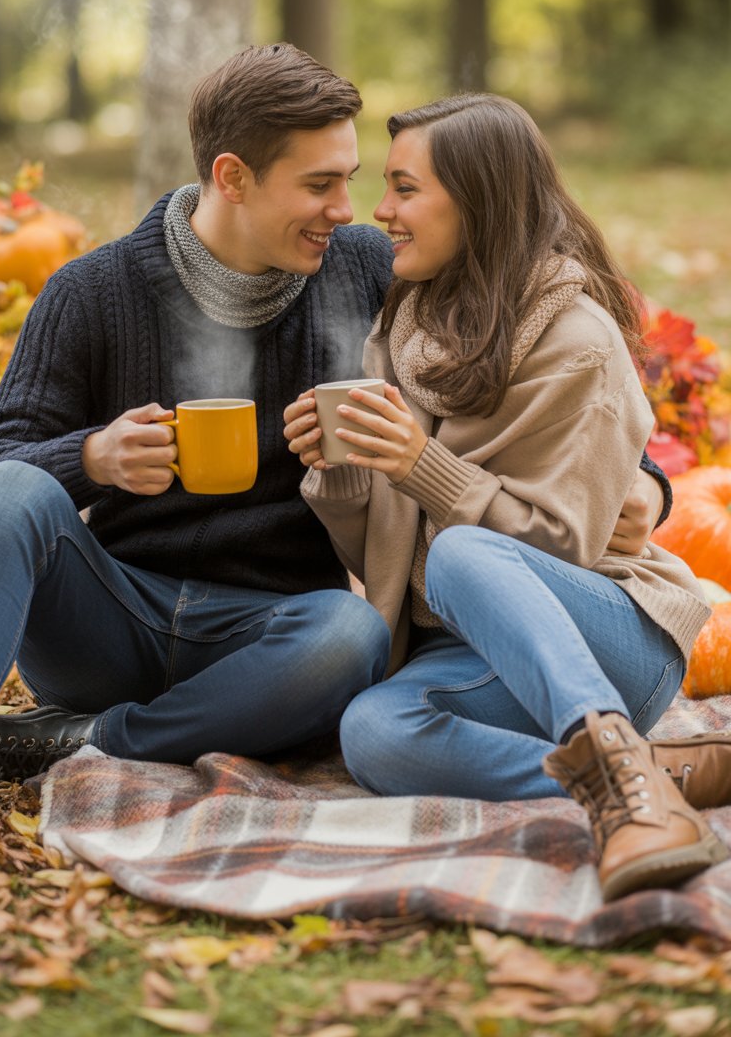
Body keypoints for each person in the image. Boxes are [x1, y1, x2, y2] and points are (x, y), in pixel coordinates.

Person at [0, 49, 667, 897]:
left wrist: (647, 485)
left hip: (275, 638)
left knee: (352, 634)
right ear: (233, 176)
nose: (348, 209)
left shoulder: (371, 272)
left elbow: (546, 358)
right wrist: (90, 459)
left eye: (353, 179)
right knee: (17, 487)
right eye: (319, 186)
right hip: (109, 616)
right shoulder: (92, 291)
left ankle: (86, 740)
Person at [284, 92, 730, 902]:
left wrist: (425, 466)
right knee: (373, 733)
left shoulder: (577, 343)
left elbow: (560, 548)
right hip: (473, 647)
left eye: (405, 189)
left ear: (480, 199)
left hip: (609, 633)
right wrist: (345, 475)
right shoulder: (406, 326)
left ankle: (620, 774)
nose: (380, 211)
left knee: (463, 551)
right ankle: (645, 778)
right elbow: (388, 560)